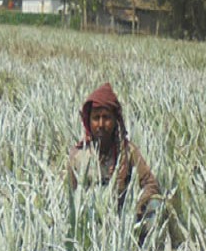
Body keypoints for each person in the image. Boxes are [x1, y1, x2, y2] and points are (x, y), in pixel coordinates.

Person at [68, 82, 161, 225]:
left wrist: (136, 206)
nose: (100, 124)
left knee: (155, 204)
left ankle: (151, 246)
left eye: (106, 117)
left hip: (126, 219)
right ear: (88, 121)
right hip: (92, 222)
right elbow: (71, 194)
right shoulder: (78, 155)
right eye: (96, 118)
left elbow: (151, 184)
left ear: (115, 120)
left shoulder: (128, 151)